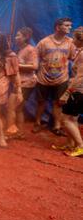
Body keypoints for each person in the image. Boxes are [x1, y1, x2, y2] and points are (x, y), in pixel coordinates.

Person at [33, 18, 77, 136]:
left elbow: (75, 59)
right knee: (41, 102)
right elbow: (35, 56)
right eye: (66, 25)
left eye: (70, 26)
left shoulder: (71, 42)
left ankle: (56, 126)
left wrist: (75, 75)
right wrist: (33, 72)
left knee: (58, 103)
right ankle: (37, 123)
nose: (69, 28)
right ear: (58, 27)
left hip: (61, 78)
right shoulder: (44, 42)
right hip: (43, 77)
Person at [55, 27, 83, 157]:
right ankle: (70, 144)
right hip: (78, 90)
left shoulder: (82, 54)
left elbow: (80, 77)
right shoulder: (80, 51)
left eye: (74, 38)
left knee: (65, 119)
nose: (72, 40)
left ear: (80, 39)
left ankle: (80, 146)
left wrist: (67, 93)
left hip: (78, 90)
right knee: (73, 118)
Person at [6, 28, 39, 139]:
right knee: (19, 109)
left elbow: (34, 66)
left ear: (25, 37)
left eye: (18, 35)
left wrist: (16, 65)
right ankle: (19, 132)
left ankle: (10, 133)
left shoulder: (30, 49)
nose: (16, 37)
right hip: (20, 82)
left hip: (26, 83)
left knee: (11, 108)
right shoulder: (20, 49)